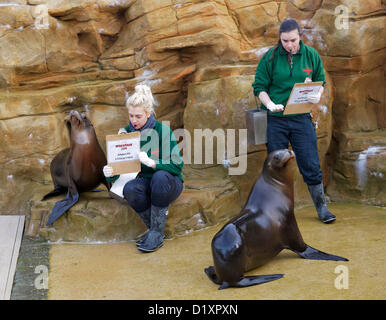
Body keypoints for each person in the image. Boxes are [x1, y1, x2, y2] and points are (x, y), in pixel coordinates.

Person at [252, 18, 336, 223]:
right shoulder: (269, 58)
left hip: (301, 118)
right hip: (275, 120)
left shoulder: (311, 55)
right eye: (285, 41)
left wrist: (318, 94)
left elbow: (320, 80)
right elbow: (259, 87)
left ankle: (321, 207)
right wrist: (270, 104)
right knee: (275, 166)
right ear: (279, 39)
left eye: (293, 40)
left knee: (310, 162)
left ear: (300, 36)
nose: (289, 45)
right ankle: (276, 213)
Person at [103, 84, 184, 252]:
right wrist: (110, 173)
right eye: (131, 116)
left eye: (138, 116)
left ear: (148, 113)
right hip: (144, 184)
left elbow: (177, 165)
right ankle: (155, 231)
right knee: (130, 188)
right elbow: (119, 171)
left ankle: (155, 233)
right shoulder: (125, 134)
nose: (134, 120)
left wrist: (152, 163)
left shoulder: (162, 130)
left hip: (168, 183)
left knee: (159, 176)